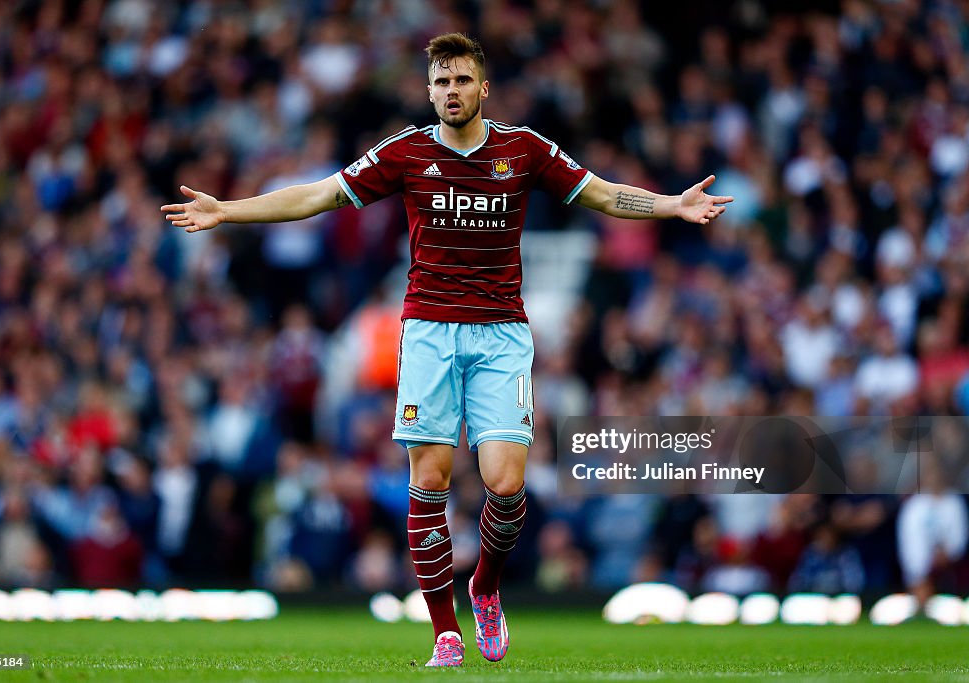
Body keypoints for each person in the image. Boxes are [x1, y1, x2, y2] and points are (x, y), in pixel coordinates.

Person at [161, 33, 732, 667]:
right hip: (430, 332)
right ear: (429, 89)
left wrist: (670, 205)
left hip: (501, 334)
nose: (450, 92)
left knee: (505, 485)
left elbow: (600, 192)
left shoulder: (523, 149)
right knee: (428, 481)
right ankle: (445, 632)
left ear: (483, 88)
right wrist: (230, 211)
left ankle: (484, 586)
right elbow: (318, 194)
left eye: (461, 80)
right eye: (440, 82)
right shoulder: (405, 153)